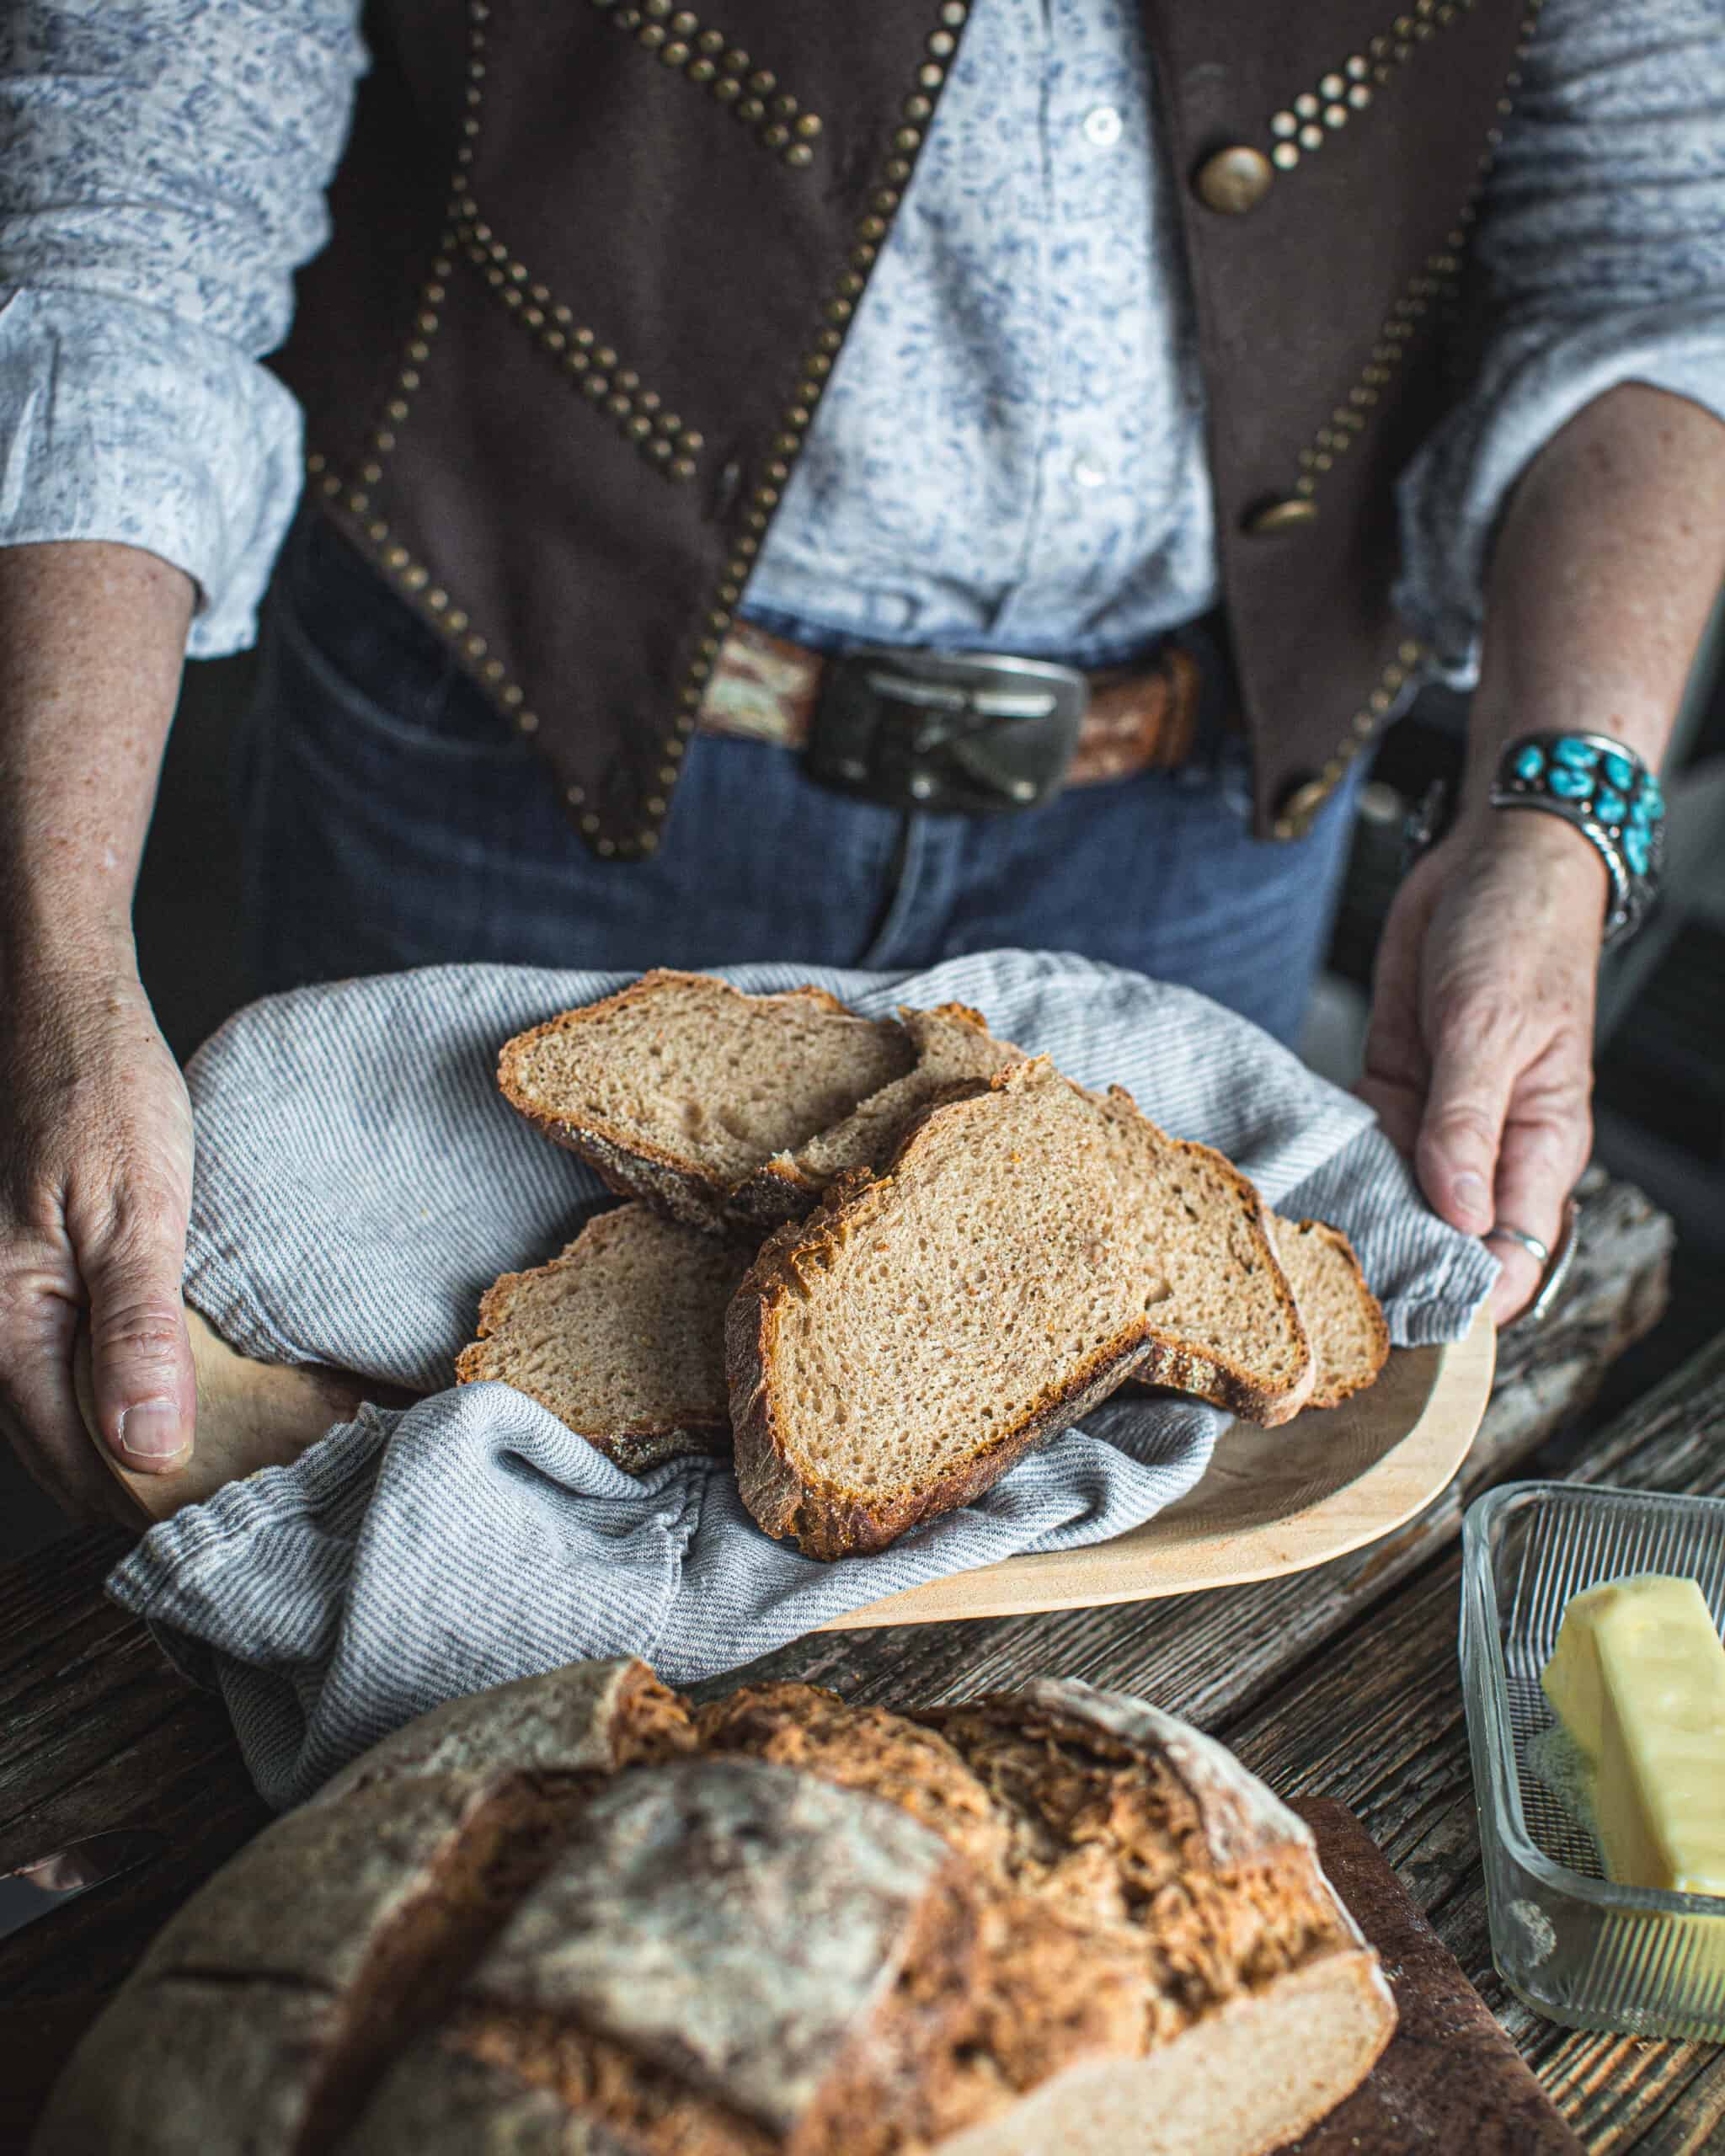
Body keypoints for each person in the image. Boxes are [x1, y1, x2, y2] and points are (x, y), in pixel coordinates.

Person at [2, 0, 1722, 1521]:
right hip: (506, 733)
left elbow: (1658, 263)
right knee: (321, 1475)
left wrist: (1560, 819)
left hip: (1198, 819)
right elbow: (121, 228)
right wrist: (54, 954)